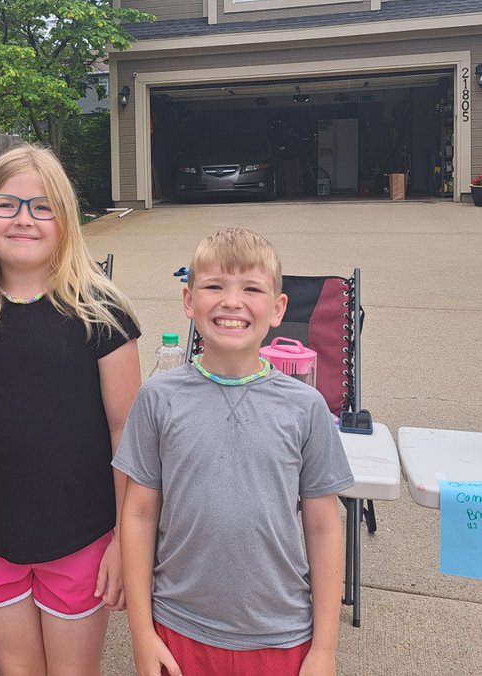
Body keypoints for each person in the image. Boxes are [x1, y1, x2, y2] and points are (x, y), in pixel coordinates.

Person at [0, 145, 141, 675]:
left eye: (42, 207)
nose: (24, 218)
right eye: (6, 204)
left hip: (83, 539)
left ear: (65, 220)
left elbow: (128, 436)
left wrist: (125, 545)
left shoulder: (101, 313)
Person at [115, 227, 354, 676]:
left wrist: (324, 649)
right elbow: (139, 514)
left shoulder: (306, 407)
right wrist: (141, 632)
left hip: (281, 636)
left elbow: (323, 528)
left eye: (251, 288)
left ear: (278, 308)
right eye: (214, 286)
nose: (231, 301)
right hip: (178, 629)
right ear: (188, 301)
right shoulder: (157, 398)